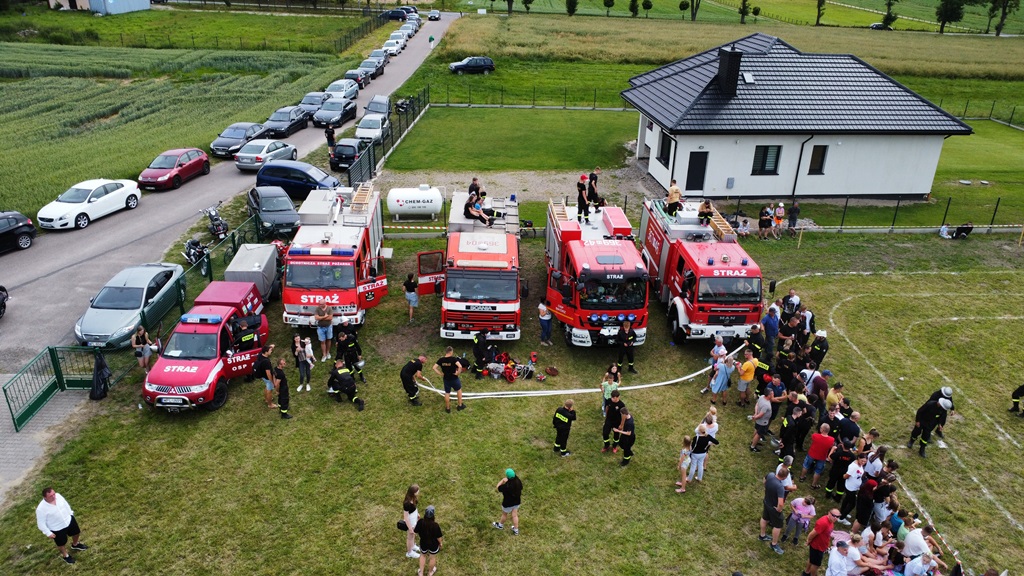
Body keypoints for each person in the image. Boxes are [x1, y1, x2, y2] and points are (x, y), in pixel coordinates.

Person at [36, 487, 88, 565]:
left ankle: (75, 544)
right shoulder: (41, 509)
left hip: (68, 520)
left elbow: (65, 504)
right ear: (45, 497)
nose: (54, 496)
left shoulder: (58, 496)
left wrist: (70, 513)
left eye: (54, 494)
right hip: (57, 528)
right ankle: (65, 555)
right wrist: (48, 533)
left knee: (76, 532)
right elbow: (40, 523)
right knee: (61, 543)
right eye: (51, 496)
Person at [759, 467, 789, 555]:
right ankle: (774, 544)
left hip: (766, 502)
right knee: (778, 525)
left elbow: (764, 480)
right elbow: (780, 503)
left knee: (765, 518)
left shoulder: (770, 475)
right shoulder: (780, 487)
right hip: (773, 508)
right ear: (785, 477)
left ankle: (762, 535)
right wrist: (779, 510)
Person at [803, 508, 839, 576]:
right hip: (817, 547)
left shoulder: (831, 521)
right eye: (834, 515)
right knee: (816, 565)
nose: (835, 518)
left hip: (821, 546)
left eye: (837, 516)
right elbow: (812, 533)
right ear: (829, 513)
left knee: (812, 559)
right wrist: (808, 541)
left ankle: (806, 572)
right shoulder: (823, 522)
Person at [800, 423, 834, 489]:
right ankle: (813, 484)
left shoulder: (815, 436)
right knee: (818, 471)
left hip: (812, 454)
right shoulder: (831, 439)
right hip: (822, 457)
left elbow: (812, 439)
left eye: (821, 428)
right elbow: (831, 446)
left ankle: (802, 477)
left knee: (806, 465)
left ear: (823, 430)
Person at [433, 347, 465, 413]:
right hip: (454, 378)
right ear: (451, 352)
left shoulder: (441, 360)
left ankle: (448, 408)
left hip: (446, 379)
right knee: (459, 390)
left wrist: (441, 374)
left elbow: (434, 368)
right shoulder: (453, 359)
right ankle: (460, 405)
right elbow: (460, 366)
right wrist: (457, 373)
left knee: (447, 393)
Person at [492, 468, 523, 535]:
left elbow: (498, 487)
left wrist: (502, 480)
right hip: (517, 502)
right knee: (514, 515)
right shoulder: (518, 481)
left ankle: (500, 525)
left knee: (504, 514)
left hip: (507, 503)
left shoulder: (507, 486)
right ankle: (516, 530)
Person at [414, 505, 443, 576]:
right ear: (433, 515)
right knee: (432, 558)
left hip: (423, 543)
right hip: (433, 545)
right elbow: (439, 537)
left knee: (423, 556)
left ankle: (421, 573)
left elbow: (416, 530)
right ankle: (430, 572)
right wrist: (440, 543)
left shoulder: (420, 522)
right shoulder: (435, 525)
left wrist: (418, 521)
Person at [750, 388, 774, 452]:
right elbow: (761, 414)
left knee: (756, 429)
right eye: (772, 393)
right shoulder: (766, 405)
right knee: (759, 434)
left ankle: (753, 441)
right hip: (763, 422)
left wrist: (755, 413)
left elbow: (757, 405)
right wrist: (756, 417)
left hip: (759, 420)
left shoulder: (761, 396)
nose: (773, 394)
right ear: (769, 395)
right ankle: (752, 447)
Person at [402, 485, 421, 559]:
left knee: (413, 534)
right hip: (410, 520)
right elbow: (406, 517)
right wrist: (410, 528)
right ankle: (409, 552)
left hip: (414, 517)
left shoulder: (413, 498)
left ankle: (413, 546)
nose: (418, 492)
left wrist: (417, 514)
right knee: (410, 536)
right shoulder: (406, 503)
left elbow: (415, 507)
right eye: (417, 491)